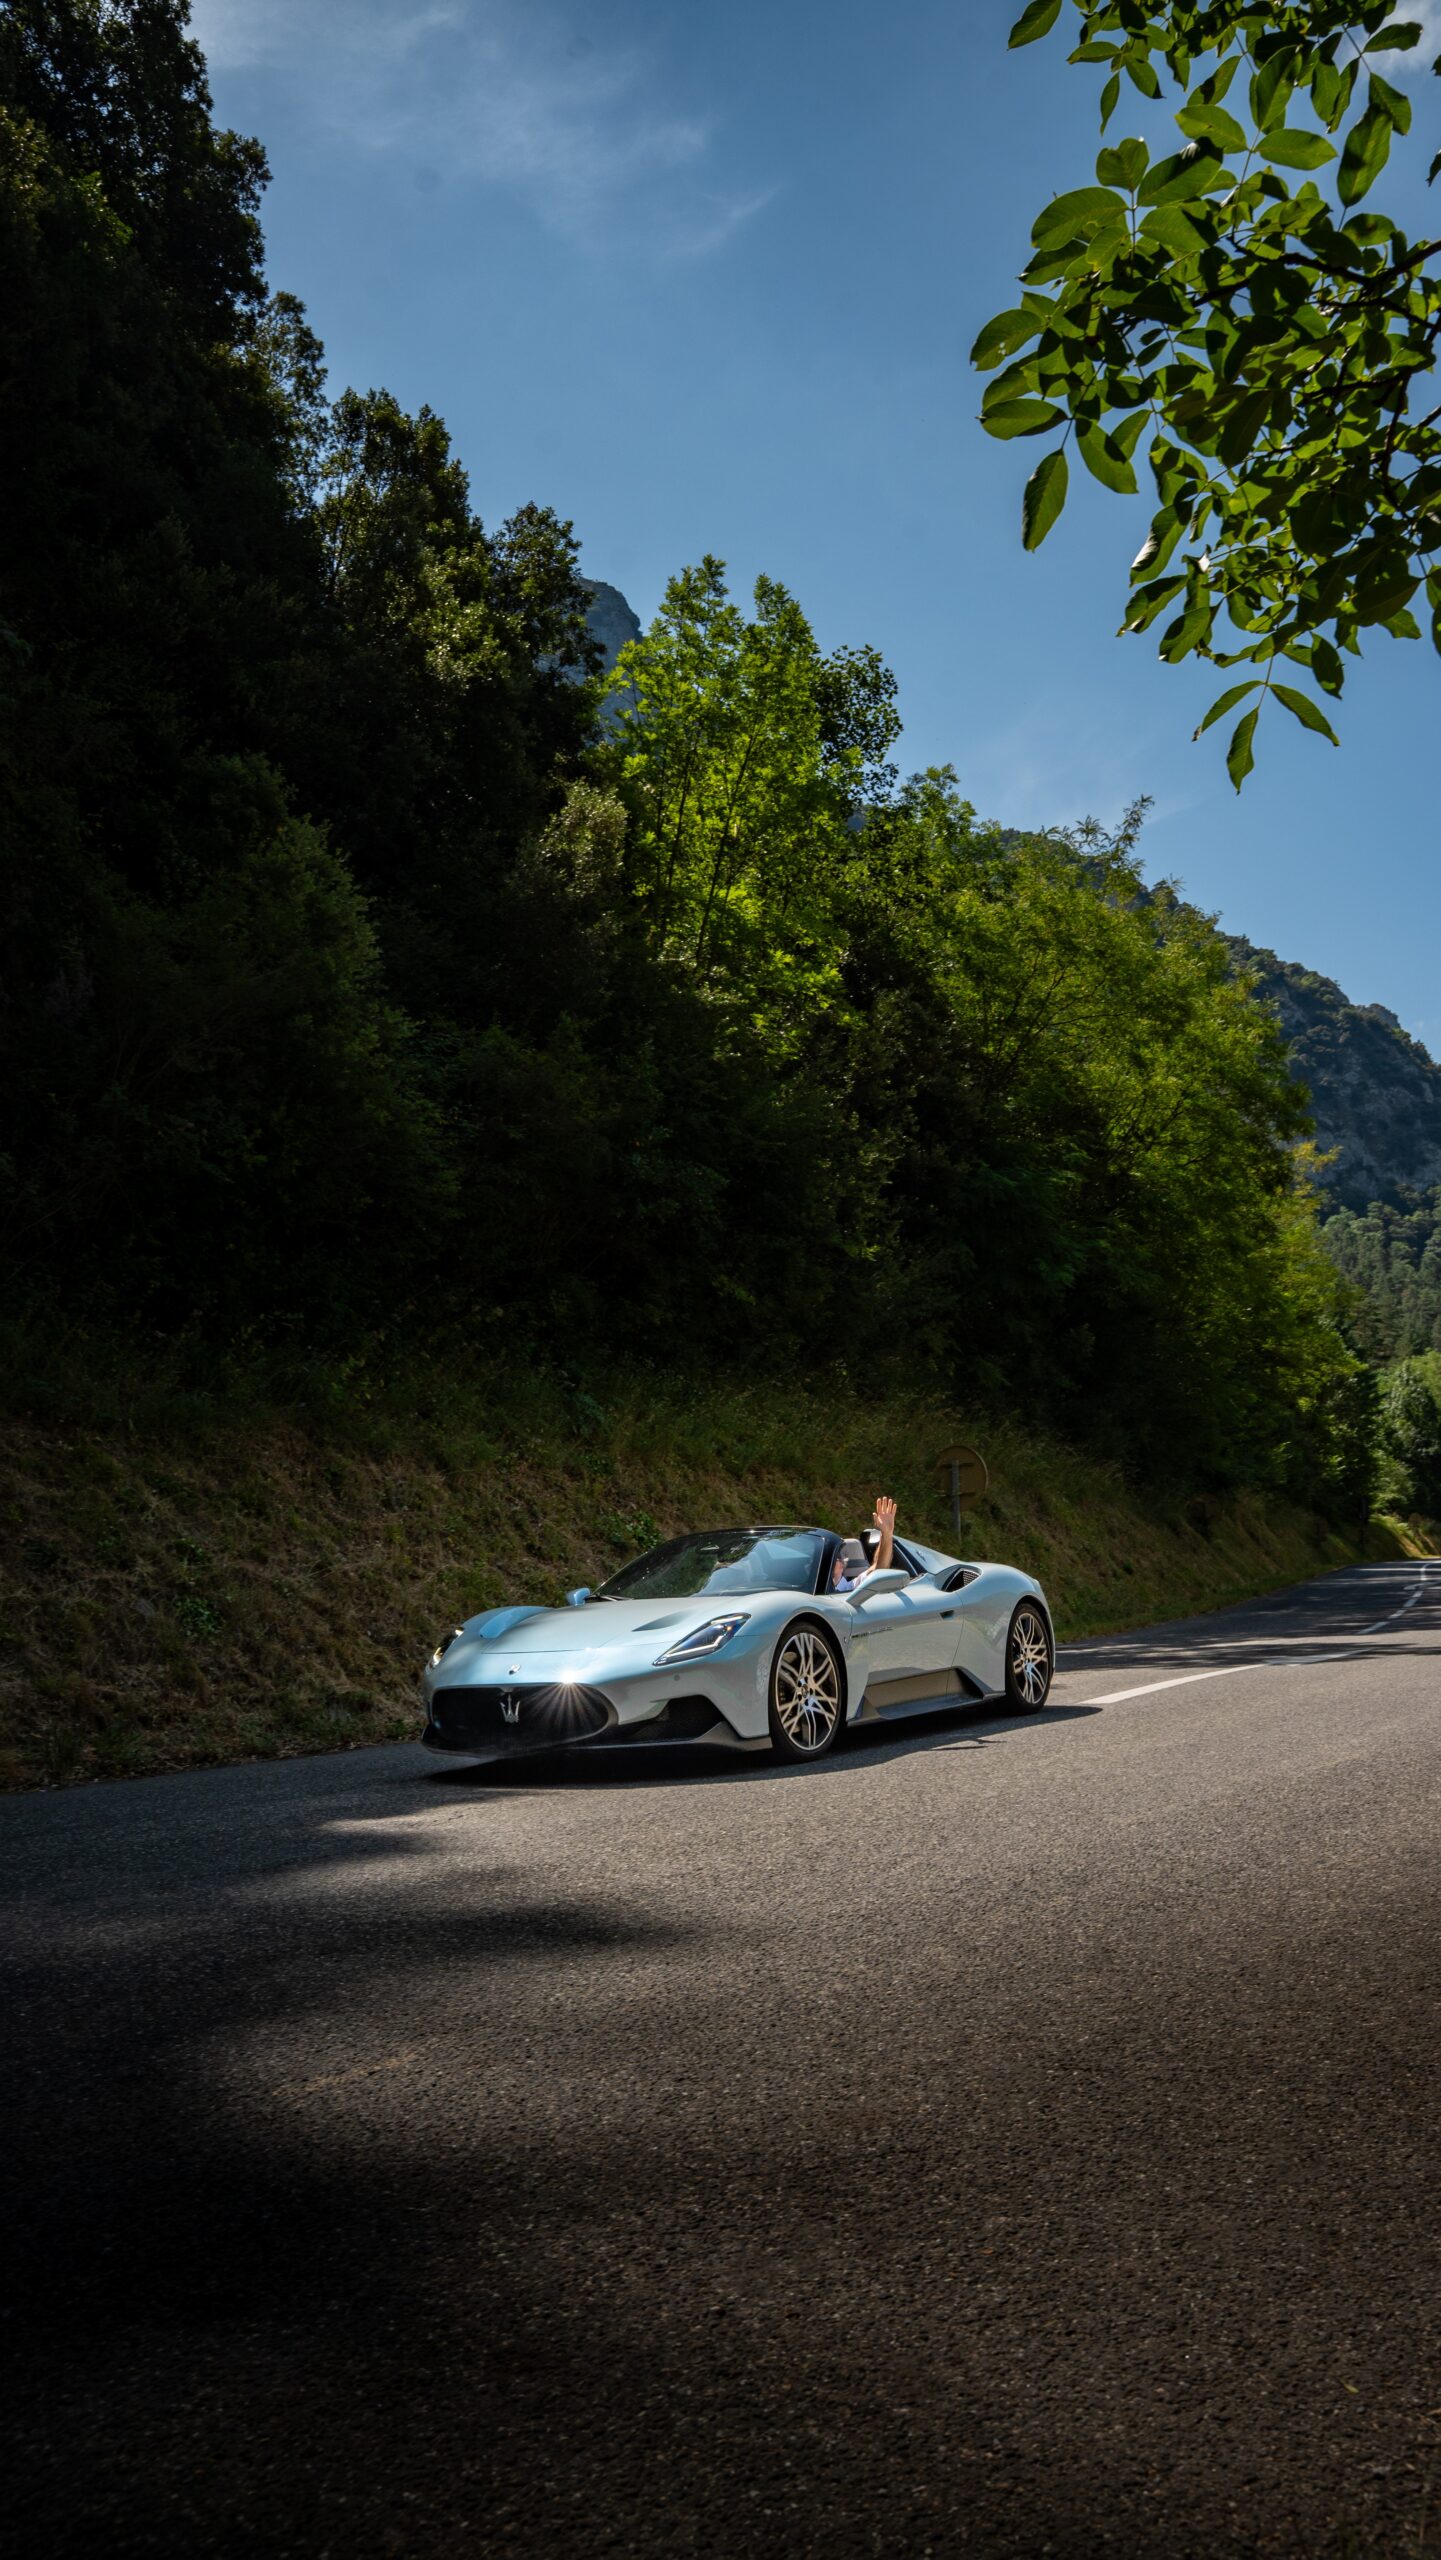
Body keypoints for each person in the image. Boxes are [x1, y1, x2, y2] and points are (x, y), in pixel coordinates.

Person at [831, 1495, 897, 1591]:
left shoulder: (849, 1588)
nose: (828, 1560)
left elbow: (879, 1568)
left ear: (842, 1565)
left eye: (834, 1558)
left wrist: (886, 1533)